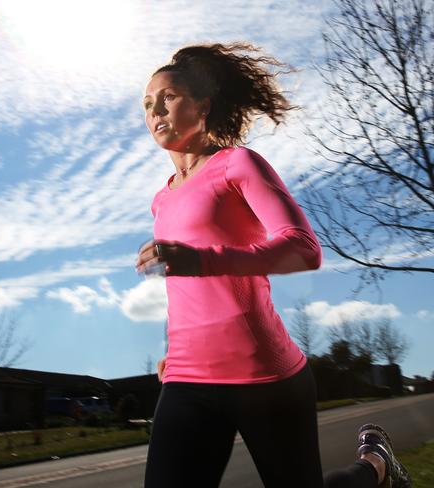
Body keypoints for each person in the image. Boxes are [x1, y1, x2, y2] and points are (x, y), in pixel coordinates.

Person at [135, 42, 411, 488]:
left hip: (263, 374)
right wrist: (174, 345)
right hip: (187, 375)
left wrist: (203, 259)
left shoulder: (236, 164)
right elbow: (186, 289)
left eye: (166, 96)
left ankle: (376, 467)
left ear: (203, 104)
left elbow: (304, 247)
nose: (155, 110)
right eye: (148, 105)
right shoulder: (161, 199)